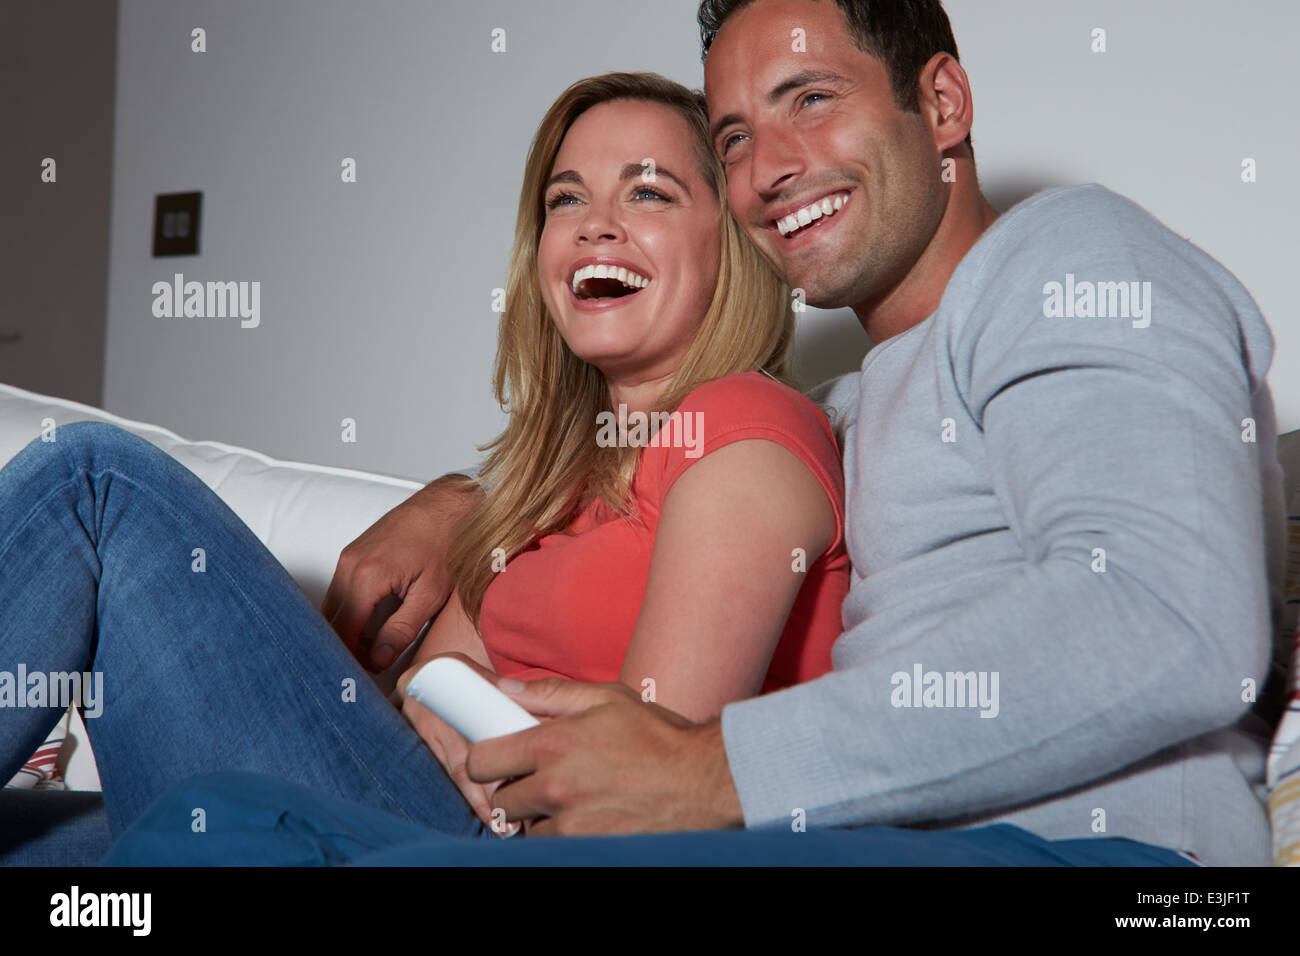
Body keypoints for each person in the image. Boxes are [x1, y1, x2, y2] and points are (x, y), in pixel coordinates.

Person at [104, 0, 1285, 866]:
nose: (768, 167)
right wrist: (463, 502)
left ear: (941, 105)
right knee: (195, 835)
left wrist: (708, 770)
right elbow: (655, 483)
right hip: (862, 841)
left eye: (809, 100)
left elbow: (1172, 615)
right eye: (730, 138)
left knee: (106, 506)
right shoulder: (851, 412)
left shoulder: (1069, 258)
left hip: (1103, 865)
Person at [0, 73, 851, 862]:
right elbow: (424, 697)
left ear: (733, 243)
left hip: (485, 847)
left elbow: (641, 797)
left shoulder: (745, 426)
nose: (596, 223)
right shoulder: (545, 485)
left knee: (94, 485)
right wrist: (461, 552)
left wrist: (466, 714)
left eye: (649, 192)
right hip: (418, 813)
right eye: (567, 199)